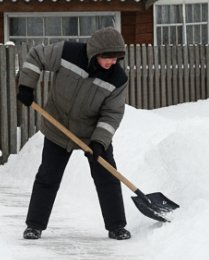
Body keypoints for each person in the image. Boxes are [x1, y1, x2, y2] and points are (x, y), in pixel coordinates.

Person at [16, 26, 130, 241]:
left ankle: (117, 226)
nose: (113, 62)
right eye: (109, 58)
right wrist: (26, 86)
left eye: (117, 58)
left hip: (91, 133)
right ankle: (34, 225)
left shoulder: (118, 79)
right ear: (96, 53)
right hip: (58, 125)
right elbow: (37, 55)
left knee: (107, 177)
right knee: (48, 177)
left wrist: (98, 142)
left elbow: (112, 114)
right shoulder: (67, 52)